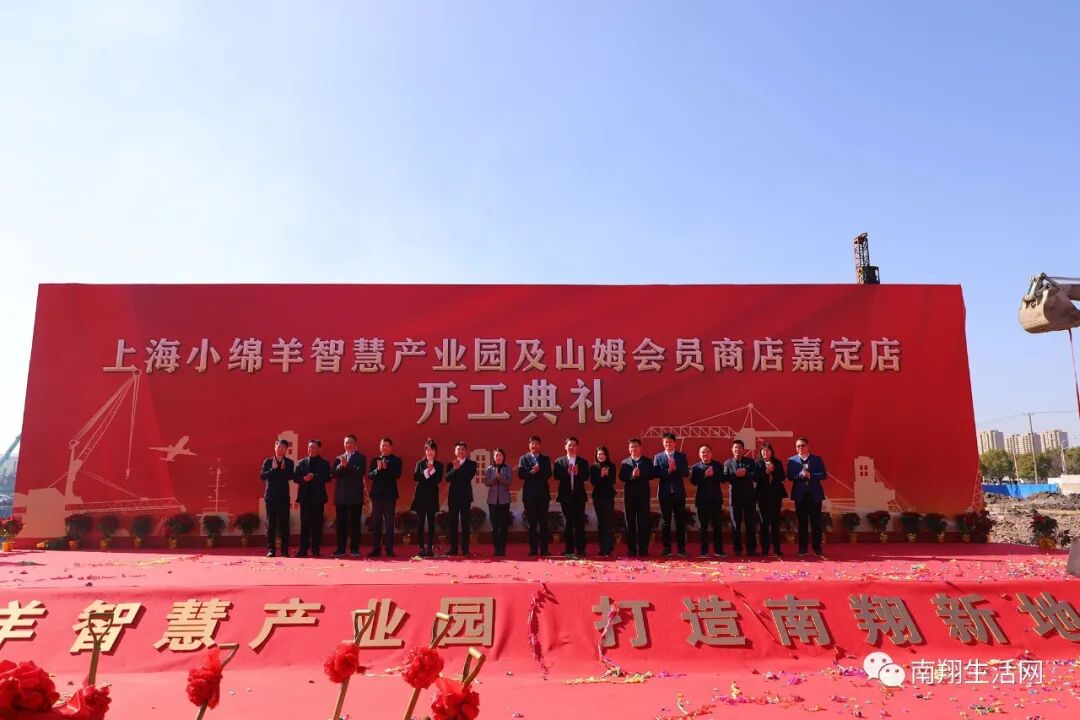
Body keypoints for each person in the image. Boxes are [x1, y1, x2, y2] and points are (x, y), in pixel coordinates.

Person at [786, 437, 827, 557]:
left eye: (802, 445)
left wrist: (811, 475)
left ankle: (817, 548)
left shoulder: (816, 459)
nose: (800, 448)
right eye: (798, 446)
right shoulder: (791, 460)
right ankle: (802, 549)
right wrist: (800, 475)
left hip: (814, 495)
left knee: (816, 522)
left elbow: (823, 474)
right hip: (800, 496)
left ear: (808, 446)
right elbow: (790, 476)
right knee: (802, 522)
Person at [653, 432, 689, 557]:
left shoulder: (681, 456)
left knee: (680, 521)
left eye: (671, 442)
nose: (668, 444)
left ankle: (681, 548)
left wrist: (676, 469)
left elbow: (686, 472)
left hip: (678, 493)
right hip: (665, 494)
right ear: (663, 443)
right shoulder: (658, 457)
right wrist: (668, 470)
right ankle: (666, 548)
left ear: (675, 443)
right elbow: (655, 473)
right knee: (666, 522)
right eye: (666, 442)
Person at [330, 434, 366, 558]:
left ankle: (354, 549)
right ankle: (340, 549)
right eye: (346, 443)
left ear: (355, 444)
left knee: (355, 523)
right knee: (341, 524)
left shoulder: (361, 458)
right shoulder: (338, 458)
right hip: (341, 496)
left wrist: (348, 466)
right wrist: (341, 466)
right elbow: (333, 474)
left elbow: (360, 472)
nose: (348, 445)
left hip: (355, 496)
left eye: (351, 442)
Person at [293, 439, 331, 558]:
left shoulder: (324, 463)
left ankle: (315, 549)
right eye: (309, 447)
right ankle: (303, 549)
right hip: (304, 497)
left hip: (318, 498)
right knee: (304, 524)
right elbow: (295, 478)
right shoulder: (301, 462)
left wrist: (314, 476)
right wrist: (304, 479)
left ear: (319, 449)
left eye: (314, 447)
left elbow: (327, 477)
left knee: (317, 525)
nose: (311, 449)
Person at [553, 436, 589, 557]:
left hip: (579, 497)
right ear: (565, 447)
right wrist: (567, 472)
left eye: (574, 445)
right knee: (567, 524)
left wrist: (577, 472)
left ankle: (581, 549)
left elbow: (586, 477)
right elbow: (556, 476)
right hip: (566, 497)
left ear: (577, 447)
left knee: (579, 524)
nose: (572, 447)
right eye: (569, 445)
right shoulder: (559, 461)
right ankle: (569, 550)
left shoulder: (583, 462)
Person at [723, 439, 759, 557]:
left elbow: (755, 476)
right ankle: (737, 548)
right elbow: (724, 478)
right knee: (735, 524)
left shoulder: (750, 462)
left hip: (749, 497)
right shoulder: (728, 463)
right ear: (732, 449)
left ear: (743, 449)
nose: (737, 450)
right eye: (735, 448)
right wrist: (735, 475)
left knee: (750, 524)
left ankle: (751, 549)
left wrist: (746, 474)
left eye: (739, 448)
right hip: (735, 497)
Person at [517, 436, 552, 557]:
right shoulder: (523, 458)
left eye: (536, 443)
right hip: (529, 496)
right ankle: (533, 549)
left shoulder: (545, 459)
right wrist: (531, 472)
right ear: (529, 445)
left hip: (543, 495)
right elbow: (521, 474)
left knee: (543, 523)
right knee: (532, 524)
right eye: (532, 443)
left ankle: (544, 549)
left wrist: (539, 470)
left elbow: (548, 474)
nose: (534, 445)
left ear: (539, 445)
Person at [367, 437, 402, 557]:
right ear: (380, 447)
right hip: (377, 495)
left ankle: (389, 549)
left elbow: (397, 475)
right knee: (376, 522)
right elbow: (370, 476)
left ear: (391, 447)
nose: (384, 448)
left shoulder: (396, 460)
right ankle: (376, 549)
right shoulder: (375, 460)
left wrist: (386, 469)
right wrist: (378, 469)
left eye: (387, 446)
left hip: (389, 496)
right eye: (383, 445)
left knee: (389, 522)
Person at [690, 444, 726, 558]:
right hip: (702, 501)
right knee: (703, 526)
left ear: (711, 453)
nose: (705, 454)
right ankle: (703, 551)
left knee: (717, 525)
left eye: (707, 452)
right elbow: (694, 481)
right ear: (699, 455)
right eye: (703, 452)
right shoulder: (696, 467)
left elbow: (723, 478)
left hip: (715, 500)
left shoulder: (717, 465)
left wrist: (714, 475)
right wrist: (705, 476)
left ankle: (719, 550)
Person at [260, 439, 294, 557]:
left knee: (284, 524)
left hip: (283, 497)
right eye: (278, 447)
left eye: (283, 447)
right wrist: (273, 469)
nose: (280, 449)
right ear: (275, 448)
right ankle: (271, 550)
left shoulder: (289, 462)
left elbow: (291, 477)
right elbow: (262, 476)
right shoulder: (268, 461)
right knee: (271, 524)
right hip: (271, 496)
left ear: (286, 450)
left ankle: (285, 551)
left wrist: (283, 470)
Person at [619, 438, 652, 557]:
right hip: (629, 497)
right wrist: (632, 476)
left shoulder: (647, 461)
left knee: (643, 522)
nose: (633, 449)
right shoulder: (625, 462)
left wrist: (641, 474)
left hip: (643, 496)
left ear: (640, 447)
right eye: (631, 447)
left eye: (635, 446)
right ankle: (632, 549)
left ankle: (643, 549)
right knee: (630, 523)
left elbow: (652, 474)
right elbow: (622, 477)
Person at [446, 441, 478, 556]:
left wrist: (459, 468)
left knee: (465, 522)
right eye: (458, 449)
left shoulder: (472, 464)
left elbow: (468, 476)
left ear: (466, 451)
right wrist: (454, 469)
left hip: (465, 496)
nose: (460, 451)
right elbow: (447, 478)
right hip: (453, 497)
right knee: (453, 522)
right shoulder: (451, 464)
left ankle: (465, 549)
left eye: (462, 449)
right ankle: (453, 548)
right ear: (455, 452)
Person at [755, 443, 787, 558]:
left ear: (771, 452)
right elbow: (755, 478)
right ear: (761, 452)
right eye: (763, 451)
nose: (765, 452)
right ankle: (765, 549)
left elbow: (783, 477)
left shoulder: (777, 462)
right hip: (763, 497)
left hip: (775, 496)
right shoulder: (757, 463)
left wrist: (773, 471)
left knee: (775, 522)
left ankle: (777, 549)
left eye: (767, 450)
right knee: (764, 523)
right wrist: (766, 472)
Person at [412, 439, 443, 557]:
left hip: (432, 496)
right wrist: (426, 472)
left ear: (435, 451)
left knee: (431, 522)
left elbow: (438, 479)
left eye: (432, 450)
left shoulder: (439, 465)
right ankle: (421, 547)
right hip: (420, 496)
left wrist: (432, 470)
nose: (430, 452)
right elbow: (416, 477)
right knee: (420, 522)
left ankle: (429, 547)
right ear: (425, 451)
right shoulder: (420, 463)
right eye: (428, 450)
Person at [484, 448, 513, 557]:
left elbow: (509, 482)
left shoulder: (508, 468)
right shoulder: (489, 469)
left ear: (503, 457)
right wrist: (494, 477)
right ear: (493, 457)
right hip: (492, 501)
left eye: (500, 455)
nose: (498, 457)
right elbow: (487, 483)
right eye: (496, 455)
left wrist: (499, 478)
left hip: (504, 500)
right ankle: (496, 548)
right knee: (495, 526)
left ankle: (503, 548)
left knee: (504, 525)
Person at [590, 445, 617, 557]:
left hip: (608, 496)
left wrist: (607, 475)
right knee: (601, 522)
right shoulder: (593, 467)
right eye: (599, 454)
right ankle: (602, 548)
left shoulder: (611, 466)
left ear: (606, 455)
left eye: (603, 454)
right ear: (596, 456)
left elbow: (613, 481)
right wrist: (601, 475)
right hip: (598, 496)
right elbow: (593, 482)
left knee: (608, 521)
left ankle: (609, 548)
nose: (601, 456)